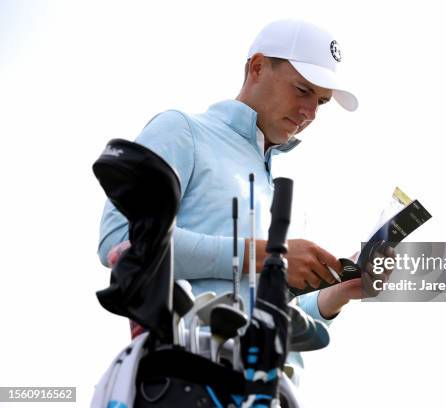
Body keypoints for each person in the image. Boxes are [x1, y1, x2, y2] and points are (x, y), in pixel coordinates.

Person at [97, 19, 364, 385]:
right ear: (256, 67)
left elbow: (266, 307)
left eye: (320, 102)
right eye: (302, 89)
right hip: (189, 379)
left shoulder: (276, 186)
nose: (310, 113)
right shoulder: (183, 130)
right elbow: (120, 242)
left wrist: (337, 294)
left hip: (271, 390)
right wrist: (268, 257)